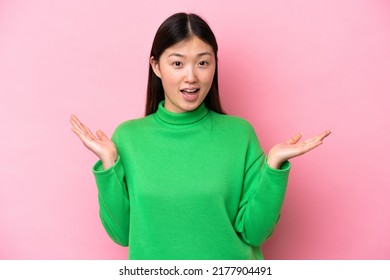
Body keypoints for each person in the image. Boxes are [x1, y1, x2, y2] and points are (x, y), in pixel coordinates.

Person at [70, 12, 330, 260]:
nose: (191, 77)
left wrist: (273, 167)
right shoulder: (127, 138)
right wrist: (108, 164)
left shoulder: (240, 134)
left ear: (215, 65)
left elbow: (256, 232)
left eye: (203, 63)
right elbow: (122, 234)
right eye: (177, 63)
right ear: (156, 66)